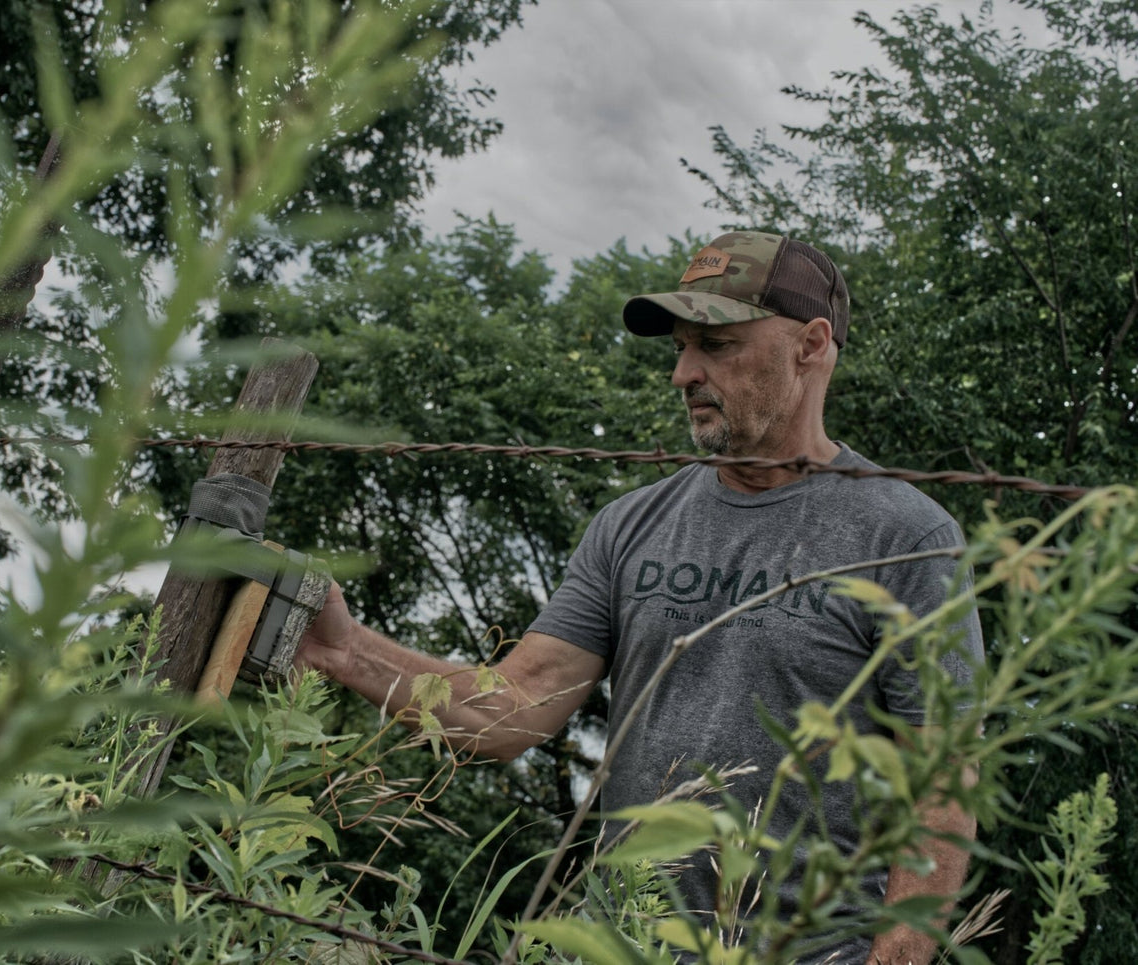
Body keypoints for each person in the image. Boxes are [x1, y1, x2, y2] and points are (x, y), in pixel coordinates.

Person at [296, 230, 983, 965]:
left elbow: (940, 784)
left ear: (809, 345)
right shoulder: (630, 526)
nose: (681, 372)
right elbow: (509, 709)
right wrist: (342, 648)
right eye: (681, 347)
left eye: (715, 344)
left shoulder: (904, 537)